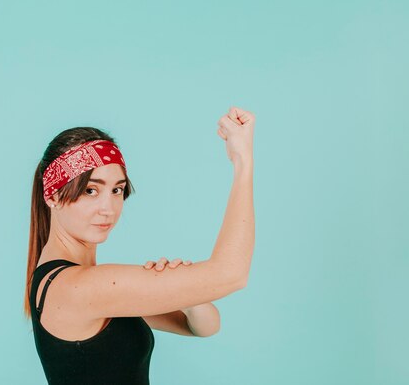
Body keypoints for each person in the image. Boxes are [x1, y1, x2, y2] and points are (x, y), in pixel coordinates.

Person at [24, 106, 256, 384]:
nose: (108, 208)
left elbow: (202, 327)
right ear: (52, 195)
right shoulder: (76, 287)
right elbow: (232, 273)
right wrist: (243, 163)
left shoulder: (75, 283)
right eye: (90, 190)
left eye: (117, 190)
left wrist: (190, 292)